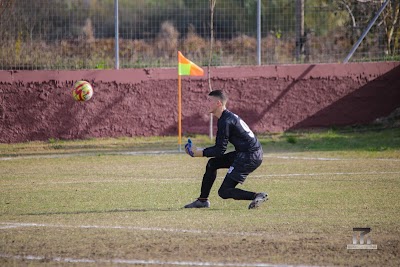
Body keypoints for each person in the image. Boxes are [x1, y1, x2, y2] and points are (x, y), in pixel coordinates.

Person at [184, 90, 268, 209]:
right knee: (212, 164)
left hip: (249, 156)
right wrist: (199, 150)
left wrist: (198, 153)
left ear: (218, 103)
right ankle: (202, 200)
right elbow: (219, 149)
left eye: (209, 101)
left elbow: (219, 150)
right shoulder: (226, 118)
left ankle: (257, 196)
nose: (206, 103)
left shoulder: (225, 120)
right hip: (246, 153)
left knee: (224, 191)